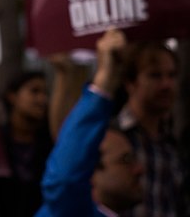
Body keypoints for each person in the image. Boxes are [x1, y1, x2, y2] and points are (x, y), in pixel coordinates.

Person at [36, 28, 144, 217]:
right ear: (91, 175)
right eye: (125, 160)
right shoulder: (71, 211)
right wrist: (103, 82)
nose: (139, 169)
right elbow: (64, 180)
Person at [117, 39, 187, 217]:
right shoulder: (111, 138)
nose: (166, 84)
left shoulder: (172, 144)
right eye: (155, 75)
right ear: (130, 83)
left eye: (171, 75)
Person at [0, 71, 52, 217]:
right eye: (34, 91)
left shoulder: (49, 142)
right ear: (12, 96)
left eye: (45, 93)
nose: (42, 99)